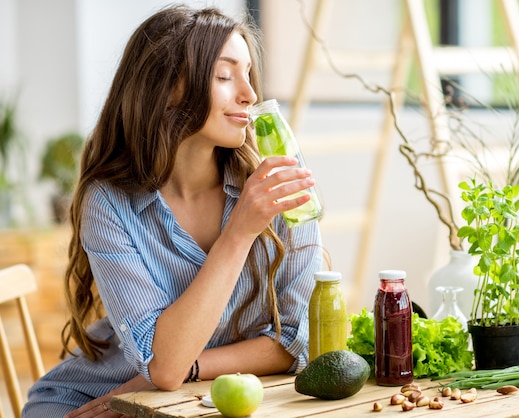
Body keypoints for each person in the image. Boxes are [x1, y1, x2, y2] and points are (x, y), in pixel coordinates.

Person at [23, 5, 323, 417]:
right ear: (169, 88)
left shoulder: (273, 175)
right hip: (97, 398)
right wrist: (239, 233)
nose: (249, 94)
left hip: (184, 395)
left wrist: (181, 370)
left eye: (248, 73)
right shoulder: (109, 203)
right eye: (224, 76)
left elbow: (296, 339)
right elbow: (161, 363)